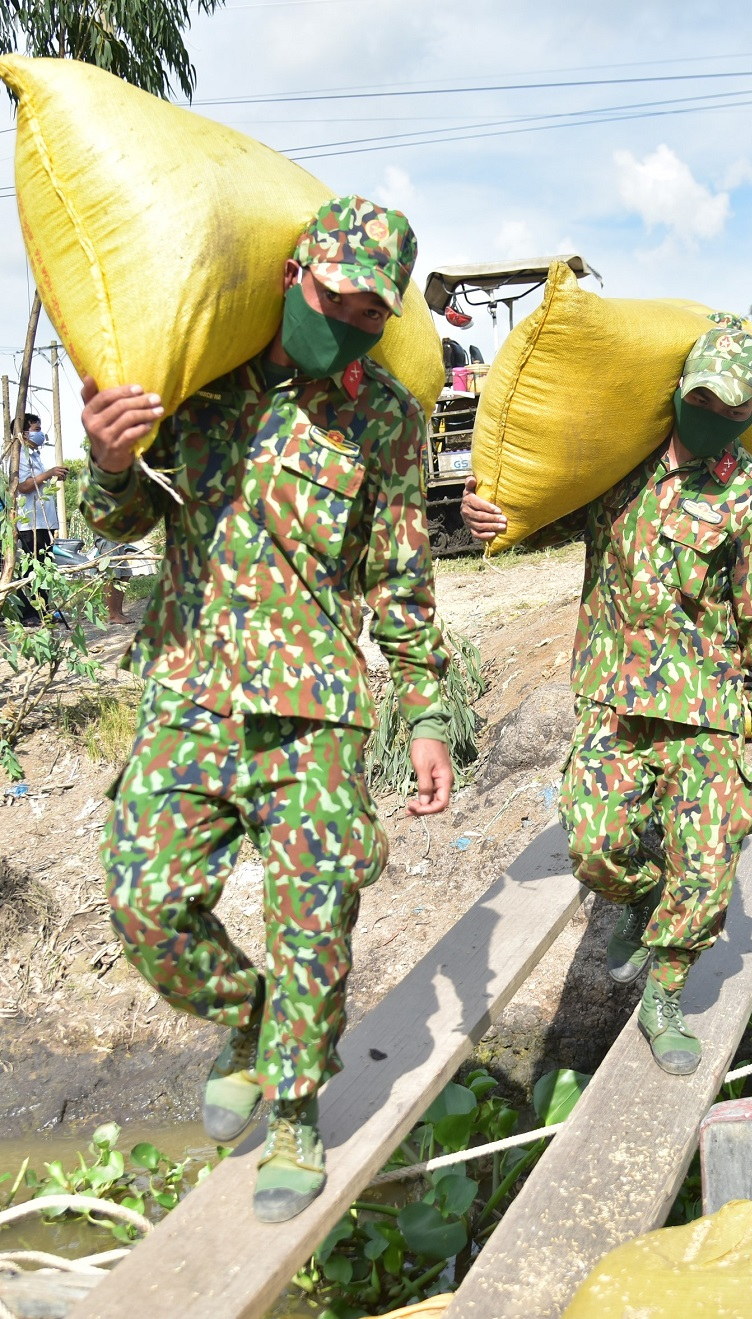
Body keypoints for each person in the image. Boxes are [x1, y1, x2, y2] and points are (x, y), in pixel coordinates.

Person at [82, 197, 452, 1225]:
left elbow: (403, 578)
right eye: (333, 296)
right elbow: (126, 513)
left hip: (318, 711)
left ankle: (295, 1107)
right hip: (192, 692)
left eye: (369, 313)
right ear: (295, 272)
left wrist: (424, 711)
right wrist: (108, 461)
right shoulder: (201, 377)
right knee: (146, 902)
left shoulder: (385, 415)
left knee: (313, 920)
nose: (346, 322)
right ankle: (249, 1021)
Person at [459, 325, 752, 1078]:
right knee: (596, 846)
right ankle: (641, 901)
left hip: (708, 712)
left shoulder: (751, 496)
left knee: (706, 873)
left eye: (727, 406)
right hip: (613, 699)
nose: (708, 413)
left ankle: (664, 995)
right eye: (698, 397)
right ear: (679, 387)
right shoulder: (620, 466)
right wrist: (497, 519)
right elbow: (546, 515)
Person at [11, 413, 65, 626]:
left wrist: (52, 475)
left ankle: (45, 610)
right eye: (36, 429)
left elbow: (37, 483)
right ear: (23, 432)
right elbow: (22, 486)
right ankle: (29, 614)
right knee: (32, 569)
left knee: (45, 567)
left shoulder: (34, 455)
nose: (40, 433)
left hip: (43, 522)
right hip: (29, 523)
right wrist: (49, 473)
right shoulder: (18, 457)